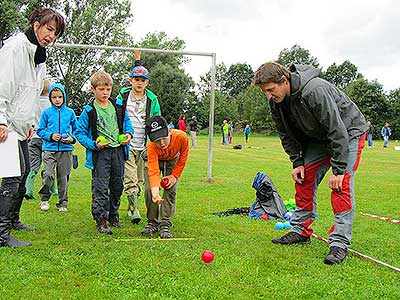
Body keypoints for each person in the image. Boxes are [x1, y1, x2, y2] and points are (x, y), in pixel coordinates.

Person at [253, 62, 368, 265]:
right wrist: (297, 162)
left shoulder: (315, 90)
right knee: (303, 180)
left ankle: (339, 243)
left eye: (271, 90)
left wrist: (339, 170)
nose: (269, 96)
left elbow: (336, 129)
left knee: (340, 187)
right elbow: (285, 134)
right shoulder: (275, 102)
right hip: (318, 139)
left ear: (284, 81)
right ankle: (300, 230)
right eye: (265, 92)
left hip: (348, 133)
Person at [0, 8, 65, 247]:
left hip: (21, 126)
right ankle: (1, 233)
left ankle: (13, 219)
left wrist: (30, 124)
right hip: (6, 124)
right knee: (12, 177)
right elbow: (3, 85)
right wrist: (1, 121)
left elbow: (32, 94)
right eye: (49, 29)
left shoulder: (38, 56)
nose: (51, 37)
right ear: (36, 25)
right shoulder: (16, 48)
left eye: (55, 34)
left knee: (25, 171)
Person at [75, 71, 133, 235]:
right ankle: (101, 219)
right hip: (100, 154)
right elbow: (79, 133)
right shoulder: (89, 111)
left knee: (117, 185)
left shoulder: (118, 106)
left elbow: (127, 124)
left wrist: (128, 135)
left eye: (108, 89)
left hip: (118, 152)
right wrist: (94, 144)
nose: (105, 93)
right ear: (93, 90)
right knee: (100, 187)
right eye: (101, 89)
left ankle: (113, 215)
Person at [116, 50, 161, 224]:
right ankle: (134, 208)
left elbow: (156, 121)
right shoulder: (123, 95)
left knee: (141, 179)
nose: (139, 83)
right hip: (127, 144)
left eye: (143, 80)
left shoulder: (152, 99)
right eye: (136, 79)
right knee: (130, 177)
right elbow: (116, 115)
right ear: (131, 80)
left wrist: (153, 144)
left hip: (144, 144)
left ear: (147, 82)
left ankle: (131, 205)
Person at [142, 116, 189, 238]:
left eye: (164, 138)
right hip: (155, 161)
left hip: (172, 161)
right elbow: (153, 171)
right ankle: (152, 221)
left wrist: (174, 176)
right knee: (149, 191)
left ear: (169, 130)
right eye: (157, 140)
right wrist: (155, 192)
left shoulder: (181, 137)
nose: (162, 143)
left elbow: (183, 158)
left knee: (170, 190)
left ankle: (165, 223)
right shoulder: (151, 146)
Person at [37, 83, 77, 212]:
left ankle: (63, 203)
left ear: (64, 97)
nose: (57, 100)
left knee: (63, 177)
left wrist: (71, 139)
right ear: (50, 98)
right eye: (54, 97)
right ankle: (44, 199)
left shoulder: (70, 113)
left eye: (60, 97)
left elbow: (77, 130)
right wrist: (50, 135)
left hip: (66, 150)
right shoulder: (47, 113)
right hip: (49, 148)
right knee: (48, 174)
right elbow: (40, 130)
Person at [24, 79, 58, 200]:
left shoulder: (32, 103)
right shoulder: (51, 105)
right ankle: (52, 189)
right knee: (49, 165)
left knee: (33, 166)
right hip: (47, 139)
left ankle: (28, 189)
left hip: (33, 138)